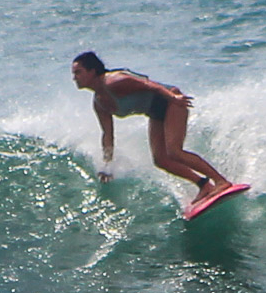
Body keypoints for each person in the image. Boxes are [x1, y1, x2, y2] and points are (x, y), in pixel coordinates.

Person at [70, 51, 235, 206]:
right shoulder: (99, 103)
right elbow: (108, 134)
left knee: (174, 151)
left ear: (92, 71)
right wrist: (107, 166)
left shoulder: (114, 81)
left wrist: (173, 97)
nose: (74, 78)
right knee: (160, 160)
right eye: (74, 74)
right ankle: (203, 185)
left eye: (78, 72)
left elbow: (149, 85)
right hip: (154, 111)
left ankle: (221, 181)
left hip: (170, 101)